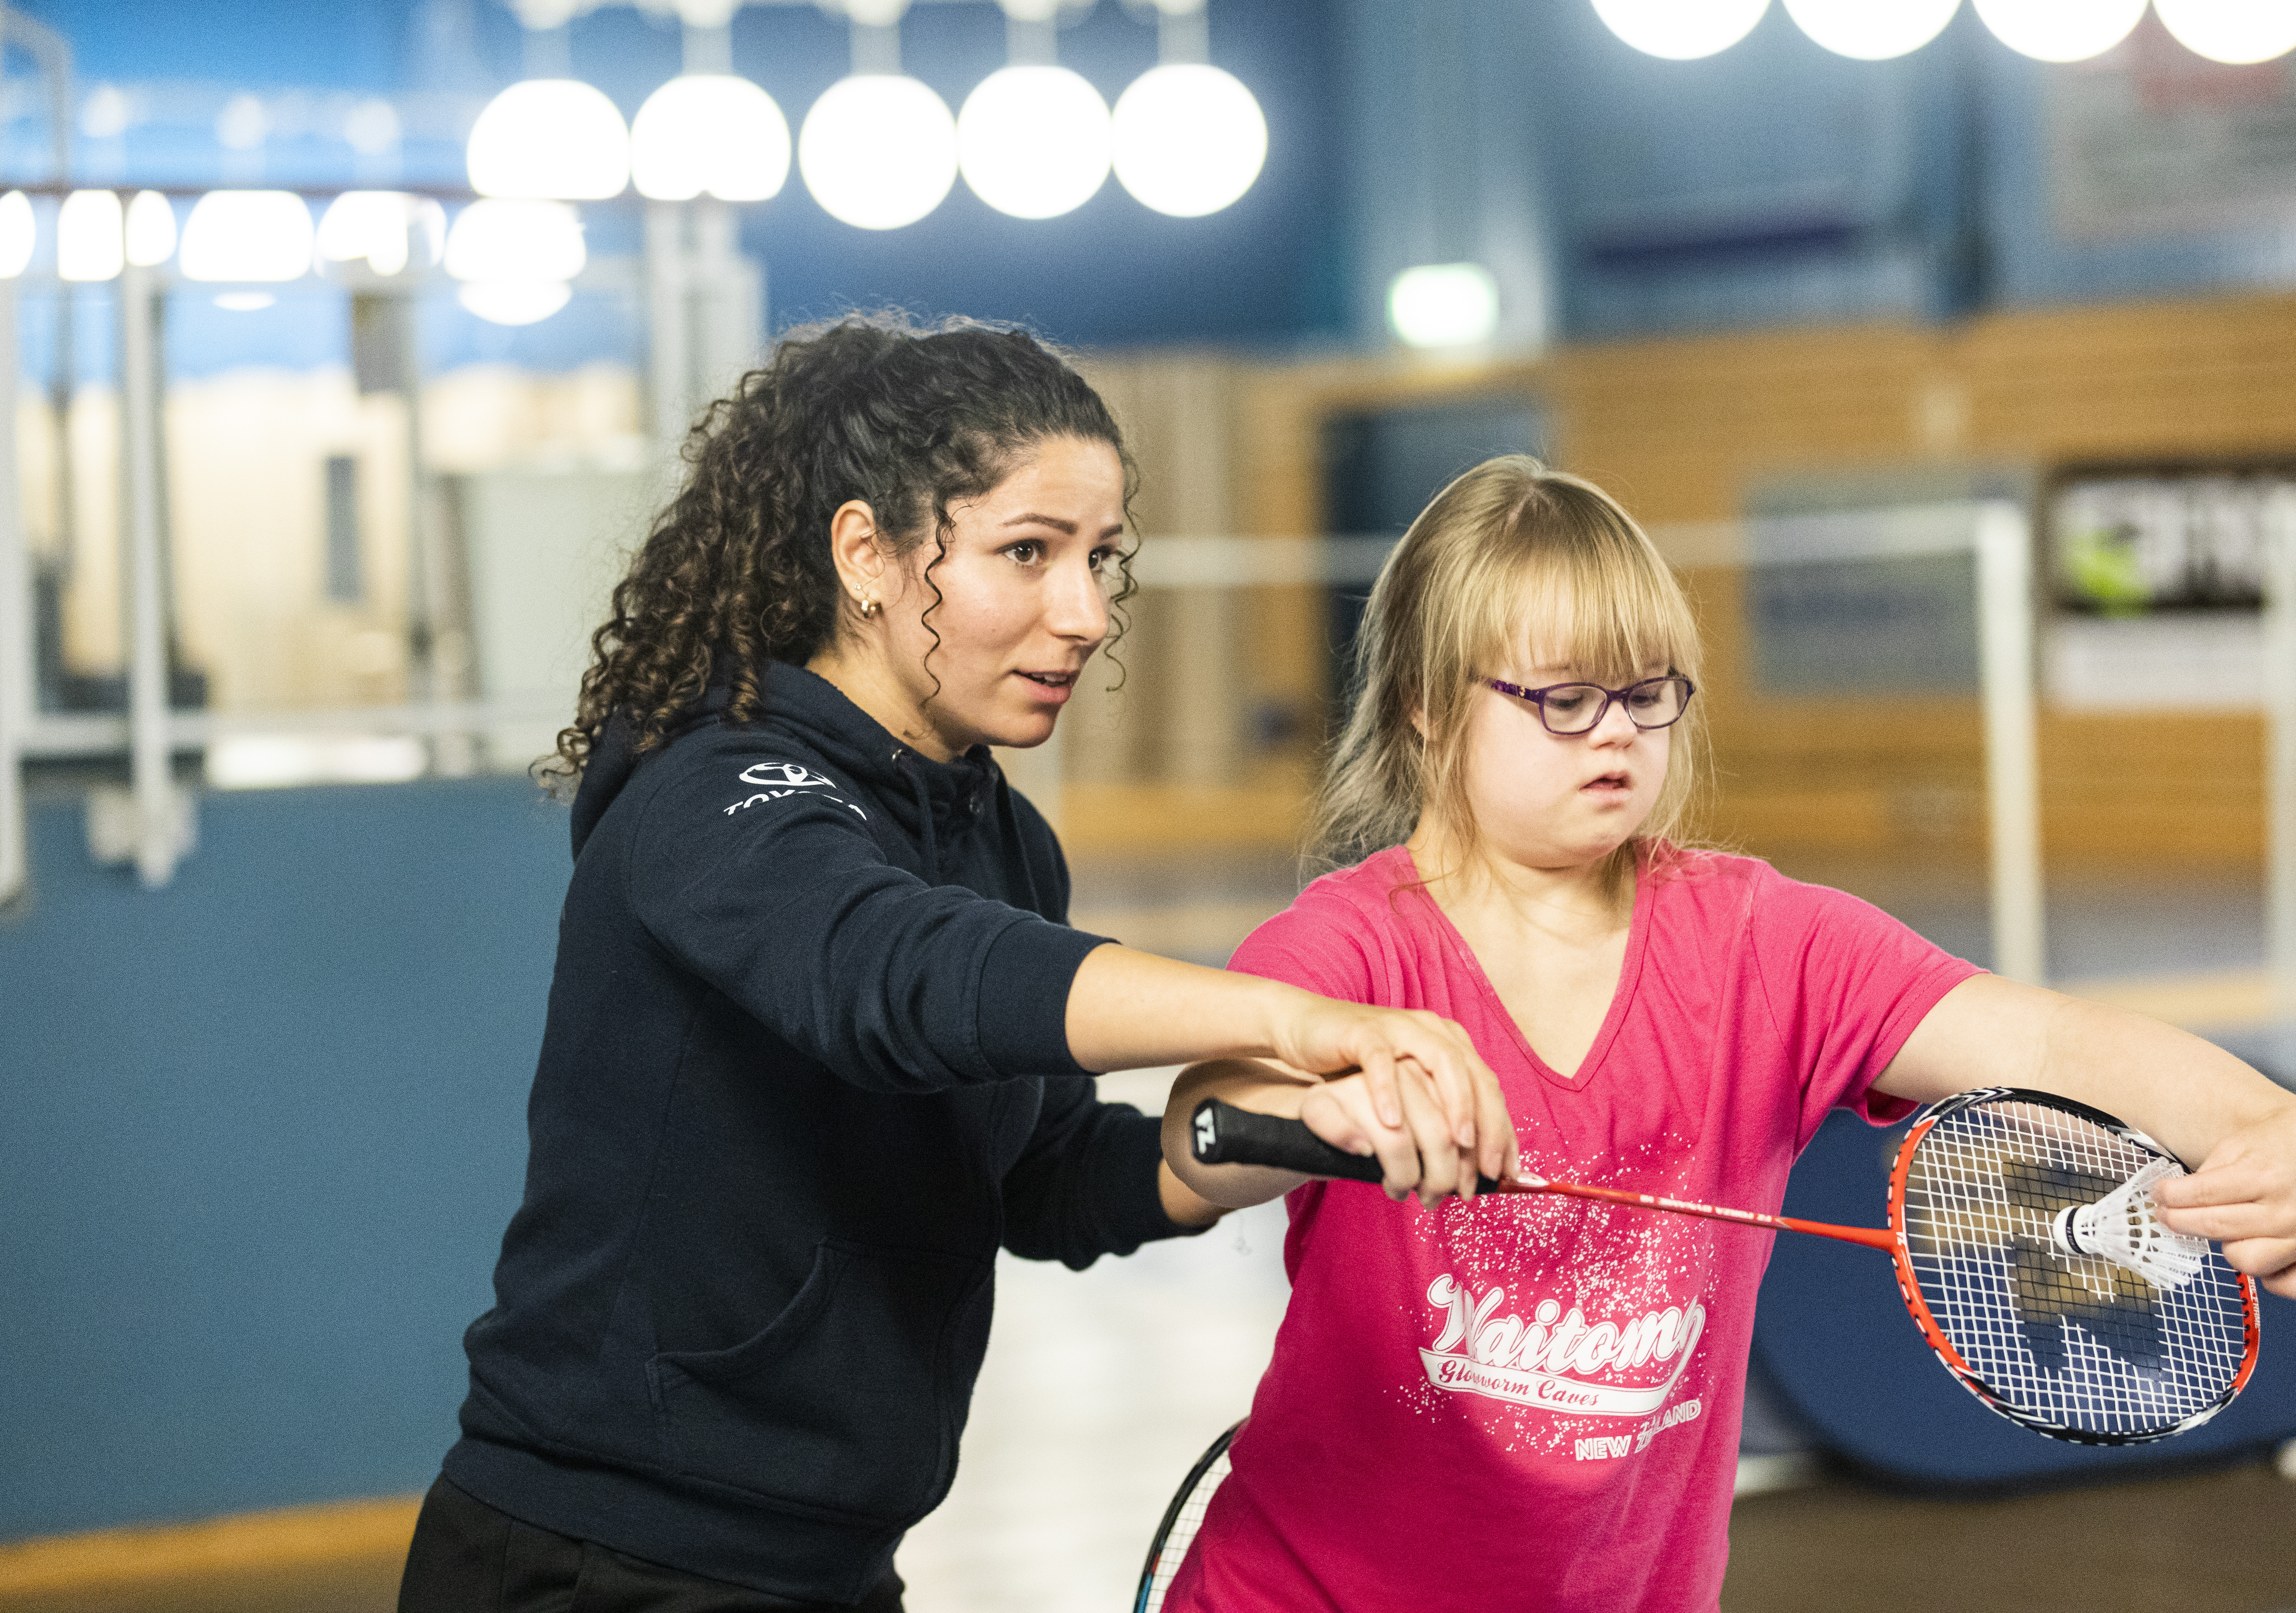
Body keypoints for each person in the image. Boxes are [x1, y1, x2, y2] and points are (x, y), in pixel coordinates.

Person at [395, 315, 1516, 1613]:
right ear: (866, 555)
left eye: (1102, 559)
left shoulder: (1001, 840)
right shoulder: (705, 792)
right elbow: (898, 977)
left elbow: (1045, 1182)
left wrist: (1294, 1128)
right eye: (1026, 554)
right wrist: (1301, 1018)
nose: (1087, 615)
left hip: (837, 1564)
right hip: (599, 1566)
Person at [1156, 456, 2296, 1613]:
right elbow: (1203, 1135)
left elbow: (2039, 1046)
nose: (1616, 733)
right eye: (1562, 699)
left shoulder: (1763, 944)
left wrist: (2275, 1127)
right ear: (1425, 703)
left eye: (1648, 694)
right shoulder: (1355, 950)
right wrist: (1328, 1109)